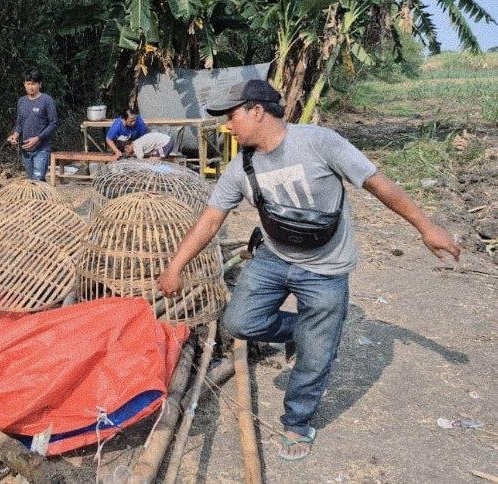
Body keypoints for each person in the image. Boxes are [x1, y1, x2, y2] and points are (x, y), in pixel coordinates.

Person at [157, 79, 460, 461]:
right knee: (239, 323)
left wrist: (425, 226)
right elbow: (210, 219)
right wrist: (175, 266)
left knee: (316, 356)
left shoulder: (320, 142)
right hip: (273, 257)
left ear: (256, 111)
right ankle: (305, 333)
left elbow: (378, 185)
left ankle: (298, 423)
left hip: (326, 267)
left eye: (231, 116)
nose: (227, 126)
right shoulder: (242, 166)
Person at [6, 67, 58, 181]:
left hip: (42, 148)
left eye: (34, 84)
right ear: (24, 84)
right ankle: (41, 198)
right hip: (26, 150)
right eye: (28, 84)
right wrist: (15, 135)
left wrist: (38, 138)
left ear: (40, 84)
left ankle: (43, 198)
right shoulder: (22, 101)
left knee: (38, 180)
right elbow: (19, 123)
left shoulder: (47, 100)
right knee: (31, 181)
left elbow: (53, 124)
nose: (31, 87)